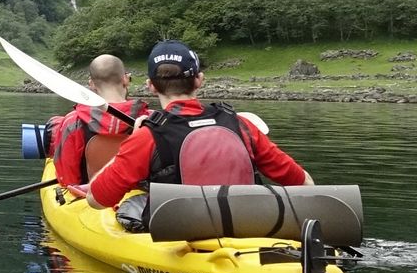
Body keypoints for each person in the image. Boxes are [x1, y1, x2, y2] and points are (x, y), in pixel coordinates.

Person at [82, 40, 312, 210]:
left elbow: (97, 199)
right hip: (249, 232)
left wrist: (133, 139)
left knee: (131, 206)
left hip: (184, 242)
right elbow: (304, 183)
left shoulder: (147, 136)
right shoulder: (240, 124)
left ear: (151, 85)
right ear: (199, 80)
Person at [50, 54, 143, 193]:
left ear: (91, 84)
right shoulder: (148, 119)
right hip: (136, 200)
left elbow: (67, 179)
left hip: (89, 199)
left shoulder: (72, 122)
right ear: (125, 79)